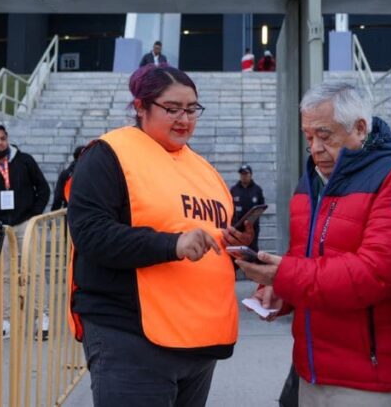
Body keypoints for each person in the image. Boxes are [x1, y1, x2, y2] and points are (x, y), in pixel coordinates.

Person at [66, 65, 254, 407]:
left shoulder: (204, 169)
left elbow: (207, 237)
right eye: (172, 108)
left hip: (199, 339)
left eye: (192, 108)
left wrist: (237, 243)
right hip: (131, 334)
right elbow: (91, 234)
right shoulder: (108, 154)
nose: (185, 118)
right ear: (141, 107)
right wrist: (172, 244)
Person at [238, 82, 391, 407]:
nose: (314, 148)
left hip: (370, 379)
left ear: (360, 128)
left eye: (325, 136)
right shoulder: (310, 181)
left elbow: (374, 274)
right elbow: (307, 262)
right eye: (308, 137)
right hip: (311, 370)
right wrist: (278, 293)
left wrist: (283, 274)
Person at [0, 124, 50, 340]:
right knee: (3, 275)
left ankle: (41, 318)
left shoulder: (24, 161)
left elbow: (43, 188)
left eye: (3, 138)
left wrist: (33, 214)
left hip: (25, 223)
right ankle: (5, 321)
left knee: (34, 270)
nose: (0, 142)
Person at [229, 164, 265, 252]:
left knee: (252, 250)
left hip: (252, 227)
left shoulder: (257, 190)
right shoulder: (234, 190)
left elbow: (261, 206)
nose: (244, 176)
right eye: (242, 174)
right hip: (237, 227)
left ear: (251, 175)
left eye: (246, 174)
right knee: (237, 250)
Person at [51, 146, 85, 211]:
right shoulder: (91, 172)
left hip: (69, 212)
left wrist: (52, 214)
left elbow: (58, 198)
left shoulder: (65, 174)